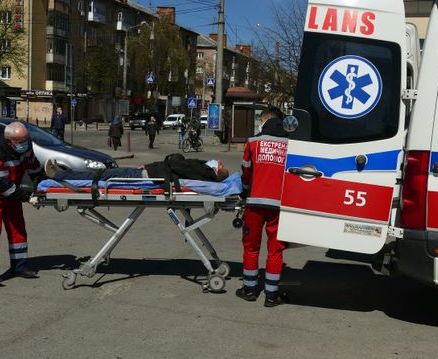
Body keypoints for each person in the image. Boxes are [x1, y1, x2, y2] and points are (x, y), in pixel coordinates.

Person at [236, 107, 289, 307]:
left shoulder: (253, 142)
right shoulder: (290, 144)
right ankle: (271, 295)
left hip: (255, 204)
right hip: (280, 206)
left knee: (251, 247)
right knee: (275, 251)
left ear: (265, 120)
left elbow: (246, 173)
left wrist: (245, 191)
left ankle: (249, 290)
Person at [0, 122, 43, 286]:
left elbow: (33, 165)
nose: (25, 143)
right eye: (21, 141)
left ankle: (19, 267)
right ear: (9, 141)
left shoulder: (25, 145)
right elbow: (0, 184)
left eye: (26, 139)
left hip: (11, 189)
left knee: (17, 227)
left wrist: (41, 184)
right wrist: (26, 197)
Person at [44, 153, 229, 183]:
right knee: (101, 174)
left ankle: (60, 176)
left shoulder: (202, 171)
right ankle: (64, 174)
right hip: (147, 172)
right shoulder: (202, 170)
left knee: (101, 176)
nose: (217, 161)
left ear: (215, 171)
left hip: (144, 176)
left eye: (219, 165)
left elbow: (174, 162)